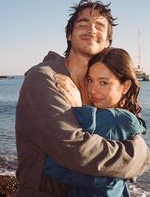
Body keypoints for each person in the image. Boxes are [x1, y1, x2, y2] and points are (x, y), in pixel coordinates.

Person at [15, 0, 150, 196]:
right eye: (83, 24)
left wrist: (140, 155)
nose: (91, 30)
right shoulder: (44, 79)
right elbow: (74, 150)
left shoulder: (99, 86)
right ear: (69, 35)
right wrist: (136, 159)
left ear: (107, 42)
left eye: (99, 26)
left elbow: (126, 131)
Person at [43, 47, 147, 197]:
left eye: (103, 83)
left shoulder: (113, 119)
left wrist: (78, 108)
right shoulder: (121, 117)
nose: (92, 90)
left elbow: (58, 166)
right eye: (90, 80)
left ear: (125, 86)